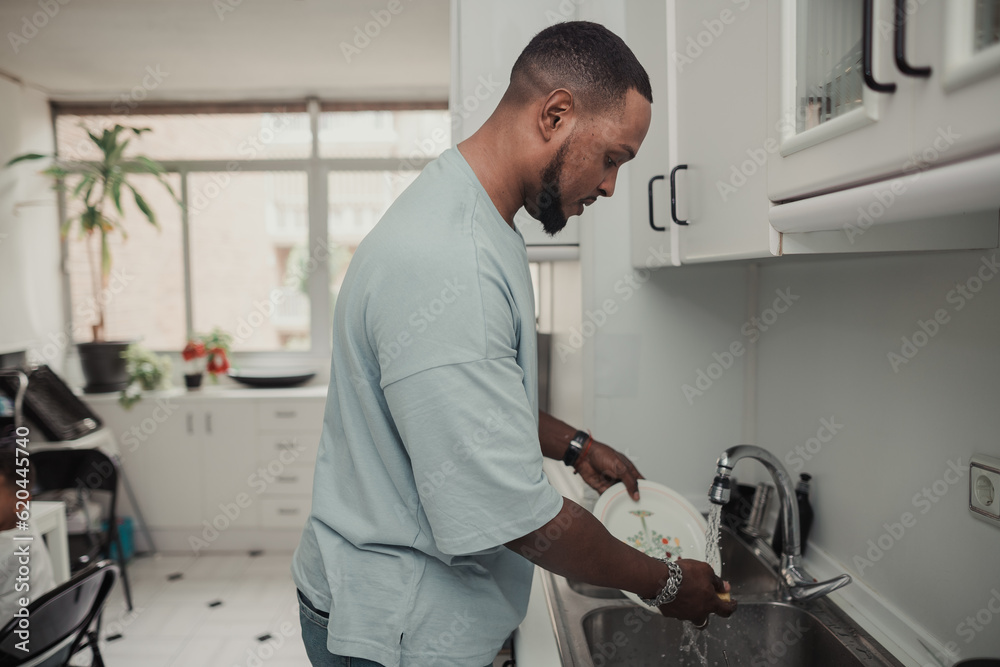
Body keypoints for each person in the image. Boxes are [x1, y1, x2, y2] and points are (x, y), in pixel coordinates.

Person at [291, 21, 736, 667]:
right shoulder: (455, 262)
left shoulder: (468, 213)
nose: (611, 186)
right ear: (555, 114)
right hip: (397, 628)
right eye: (612, 157)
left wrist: (572, 443)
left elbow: (466, 408)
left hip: (391, 605)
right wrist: (667, 580)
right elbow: (515, 513)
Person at [0, 446, 56, 626]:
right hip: (46, 635)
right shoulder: (23, 523)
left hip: (12, 647)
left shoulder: (8, 550)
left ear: (21, 501)